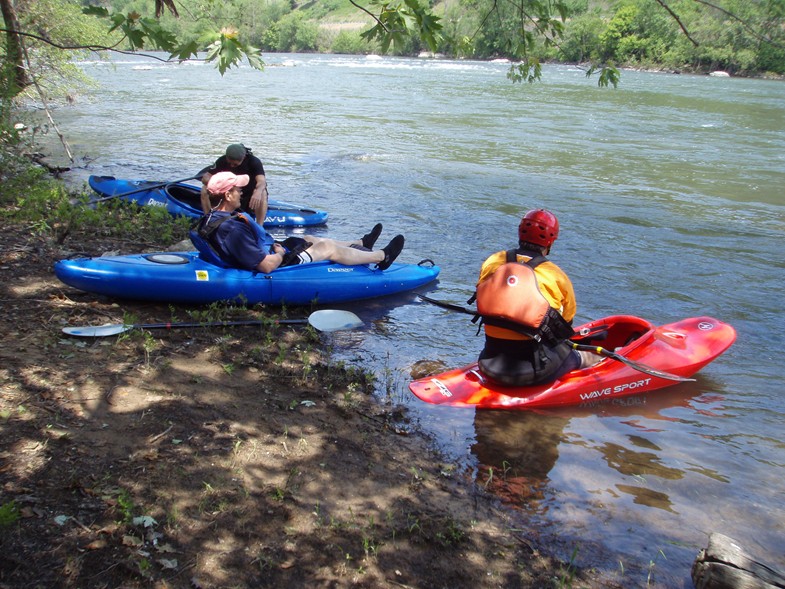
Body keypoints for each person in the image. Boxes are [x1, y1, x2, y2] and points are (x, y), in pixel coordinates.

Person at [474, 209, 599, 386]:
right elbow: (567, 321)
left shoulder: (493, 261)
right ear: (550, 241)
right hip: (532, 372)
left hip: (488, 362)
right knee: (582, 356)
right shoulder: (555, 275)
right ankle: (592, 362)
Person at [197, 171, 404, 274]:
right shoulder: (232, 229)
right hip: (278, 262)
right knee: (328, 248)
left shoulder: (212, 217)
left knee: (308, 238)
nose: (242, 192)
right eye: (238, 189)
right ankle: (382, 257)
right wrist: (278, 253)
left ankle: (360, 242)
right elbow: (266, 266)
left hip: (265, 250)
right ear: (228, 196)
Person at [200, 143, 268, 221]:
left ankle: (259, 225)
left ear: (244, 157)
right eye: (229, 163)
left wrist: (258, 192)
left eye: (235, 164)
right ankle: (209, 218)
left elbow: (262, 181)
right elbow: (205, 177)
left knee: (262, 192)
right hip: (231, 192)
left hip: (248, 193)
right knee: (204, 189)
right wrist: (215, 183)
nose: (231, 166)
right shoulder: (222, 160)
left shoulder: (254, 161)